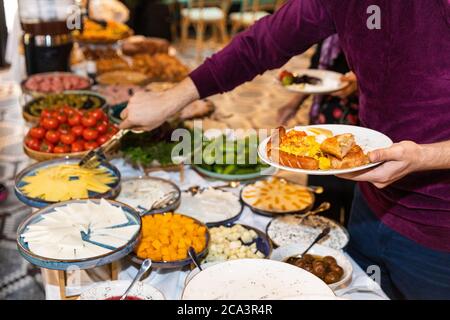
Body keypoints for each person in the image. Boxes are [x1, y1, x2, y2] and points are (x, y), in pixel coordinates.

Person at [119, 0, 450, 299]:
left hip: (439, 232)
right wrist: (169, 99)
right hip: (370, 203)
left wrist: (425, 156)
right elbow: (263, 43)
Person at [278, 35, 359, 225]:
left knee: (352, 190)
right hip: (323, 118)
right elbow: (316, 72)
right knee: (321, 187)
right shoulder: (332, 22)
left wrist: (361, 81)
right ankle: (321, 241)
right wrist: (293, 104)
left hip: (358, 121)